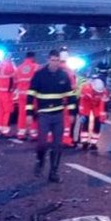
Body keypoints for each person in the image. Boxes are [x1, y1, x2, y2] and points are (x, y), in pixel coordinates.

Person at [27, 50, 75, 182]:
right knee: (42, 143)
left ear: (60, 61)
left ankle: (54, 172)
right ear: (48, 60)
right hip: (43, 114)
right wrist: (29, 113)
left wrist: (71, 113)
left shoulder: (63, 75)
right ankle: (40, 160)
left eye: (57, 60)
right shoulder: (39, 75)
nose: (55, 63)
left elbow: (71, 95)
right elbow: (30, 95)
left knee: (57, 145)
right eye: (53, 60)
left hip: (58, 114)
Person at [76, 76, 109, 151]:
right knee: (85, 123)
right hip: (87, 104)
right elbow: (82, 103)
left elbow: (104, 104)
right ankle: (84, 142)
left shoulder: (104, 91)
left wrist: (103, 116)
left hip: (97, 105)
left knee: (98, 124)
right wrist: (82, 114)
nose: (97, 93)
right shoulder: (86, 89)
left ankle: (94, 143)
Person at [14, 52, 39, 140]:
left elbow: (15, 81)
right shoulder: (35, 67)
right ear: (33, 57)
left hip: (21, 94)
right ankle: (33, 134)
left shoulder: (19, 68)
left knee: (22, 114)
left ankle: (21, 133)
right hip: (31, 95)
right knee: (32, 113)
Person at [0, 53, 17, 137]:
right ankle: (5, 130)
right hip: (6, 92)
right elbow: (15, 78)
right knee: (7, 111)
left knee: (1, 110)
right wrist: (13, 88)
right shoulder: (9, 65)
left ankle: (0, 128)